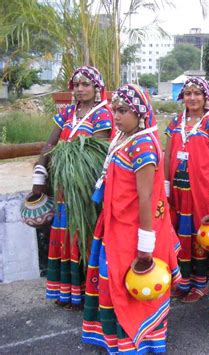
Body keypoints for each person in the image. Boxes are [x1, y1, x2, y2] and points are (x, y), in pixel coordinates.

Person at [82, 84, 181, 353]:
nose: (116, 115)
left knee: (131, 283)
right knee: (113, 280)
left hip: (134, 232)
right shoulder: (123, 138)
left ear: (139, 113)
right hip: (115, 226)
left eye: (123, 110)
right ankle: (116, 340)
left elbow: (146, 198)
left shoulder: (144, 146)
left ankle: (141, 341)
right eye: (114, 109)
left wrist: (145, 246)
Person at [31, 66, 113, 310]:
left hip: (85, 190)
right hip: (63, 189)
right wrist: (41, 169)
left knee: (82, 234)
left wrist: (64, 154)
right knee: (64, 234)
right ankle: (67, 291)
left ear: (97, 88)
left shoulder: (103, 115)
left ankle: (85, 293)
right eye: (76, 85)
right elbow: (51, 142)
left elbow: (95, 153)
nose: (80, 89)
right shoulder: (68, 112)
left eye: (86, 84)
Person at [164, 77, 209, 302]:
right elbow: (168, 154)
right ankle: (184, 281)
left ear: (206, 97)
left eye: (197, 93)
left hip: (202, 192)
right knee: (181, 234)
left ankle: (201, 284)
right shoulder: (175, 122)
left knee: (200, 237)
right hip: (179, 192)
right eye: (188, 93)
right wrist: (165, 186)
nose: (192, 97)